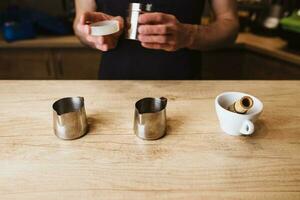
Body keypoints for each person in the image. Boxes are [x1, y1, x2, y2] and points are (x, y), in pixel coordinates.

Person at [74, 0, 239, 80]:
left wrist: (190, 34)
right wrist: (92, 33)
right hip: (114, 85)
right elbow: (79, 23)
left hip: (184, 87)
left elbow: (230, 23)